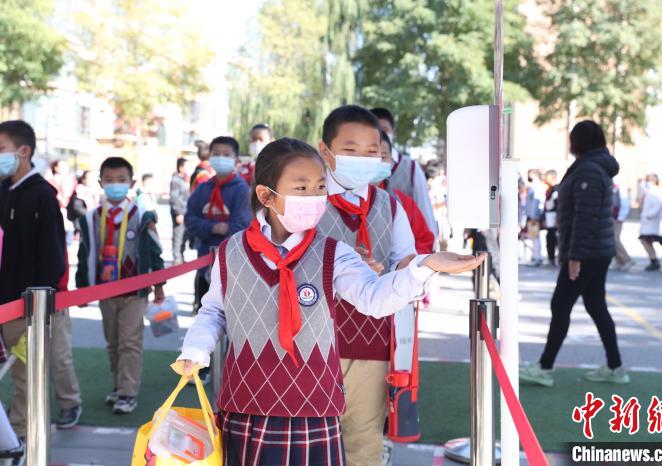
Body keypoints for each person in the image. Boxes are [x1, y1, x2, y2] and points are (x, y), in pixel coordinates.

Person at [175, 138, 485, 465]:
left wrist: (426, 266)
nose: (314, 197)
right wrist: (196, 349)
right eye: (301, 187)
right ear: (266, 195)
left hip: (314, 406)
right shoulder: (232, 252)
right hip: (248, 406)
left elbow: (374, 299)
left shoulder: (332, 253)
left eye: (320, 187)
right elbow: (214, 311)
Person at [315, 105, 419, 465]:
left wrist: (411, 270)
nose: (362, 158)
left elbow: (405, 263)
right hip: (309, 341)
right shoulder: (304, 199)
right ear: (324, 151)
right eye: (350, 149)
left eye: (372, 151)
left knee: (362, 437)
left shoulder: (390, 206)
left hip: (369, 341)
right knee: (310, 436)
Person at [520, 120, 628, 387]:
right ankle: (615, 367)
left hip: (587, 252)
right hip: (596, 250)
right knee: (595, 306)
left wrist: (574, 257)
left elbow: (585, 217)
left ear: (579, 141)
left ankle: (545, 367)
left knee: (561, 305)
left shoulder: (589, 170)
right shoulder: (594, 166)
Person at [0, 120, 82, 444]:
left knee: (37, 367)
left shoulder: (43, 196)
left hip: (34, 303)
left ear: (24, 151)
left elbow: (52, 255)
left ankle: (22, 436)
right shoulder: (5, 191)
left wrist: (42, 300)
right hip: (7, 302)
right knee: (25, 371)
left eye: (1, 149)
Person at [76, 157, 165, 414]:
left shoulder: (143, 216)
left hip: (135, 291)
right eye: (110, 180)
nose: (115, 185)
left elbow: (155, 251)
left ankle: (128, 392)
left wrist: (158, 285)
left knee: (129, 341)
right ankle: (118, 386)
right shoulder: (91, 218)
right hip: (106, 290)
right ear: (100, 183)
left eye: (121, 180)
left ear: (131, 183)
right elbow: (84, 254)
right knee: (113, 342)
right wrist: (83, 288)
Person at [185, 136, 252, 314]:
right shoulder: (202, 189)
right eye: (216, 154)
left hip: (234, 262)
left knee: (232, 314)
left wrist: (227, 229)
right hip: (204, 259)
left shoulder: (242, 190)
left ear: (236, 160)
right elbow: (190, 219)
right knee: (206, 312)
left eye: (226, 154)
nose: (221, 157)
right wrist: (212, 228)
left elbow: (243, 224)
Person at [370, 107, 439, 238]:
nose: (379, 135)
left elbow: (424, 208)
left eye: (384, 130)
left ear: (393, 132)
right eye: (374, 129)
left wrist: (429, 251)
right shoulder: (359, 167)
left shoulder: (411, 167)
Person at [377, 130, 435, 254]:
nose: (375, 161)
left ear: (391, 161)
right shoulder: (329, 200)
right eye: (368, 155)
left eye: (382, 157)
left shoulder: (401, 202)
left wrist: (404, 264)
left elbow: (425, 242)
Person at [638, 174, 662, 271]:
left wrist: (648, 215)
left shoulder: (655, 191)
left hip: (651, 220)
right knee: (646, 240)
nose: (647, 182)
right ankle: (653, 259)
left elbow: (657, 205)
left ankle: (655, 260)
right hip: (647, 221)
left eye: (649, 180)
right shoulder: (648, 191)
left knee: (646, 240)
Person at [48, 159, 78, 245]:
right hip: (57, 210)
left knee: (69, 236)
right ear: (56, 168)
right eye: (61, 166)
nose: (64, 168)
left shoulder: (72, 180)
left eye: (66, 166)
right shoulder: (51, 181)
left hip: (69, 211)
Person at [170, 158, 189, 265]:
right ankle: (177, 258)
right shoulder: (176, 180)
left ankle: (181, 256)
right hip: (180, 212)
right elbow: (174, 197)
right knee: (178, 235)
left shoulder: (185, 179)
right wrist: (178, 213)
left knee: (184, 236)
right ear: (181, 167)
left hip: (186, 212)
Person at [525, 169, 546, 266]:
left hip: (534, 215)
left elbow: (536, 202)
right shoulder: (534, 186)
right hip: (532, 215)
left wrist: (533, 215)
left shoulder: (536, 186)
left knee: (535, 237)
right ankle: (535, 256)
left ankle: (537, 257)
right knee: (533, 237)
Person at [611, 181, 633, 271]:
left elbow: (624, 203)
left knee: (614, 239)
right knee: (611, 240)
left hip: (616, 217)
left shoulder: (619, 188)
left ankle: (625, 259)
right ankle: (618, 260)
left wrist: (621, 216)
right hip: (611, 216)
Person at [543, 170, 559, 266]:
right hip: (549, 218)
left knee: (554, 239)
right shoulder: (549, 189)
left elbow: (557, 204)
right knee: (550, 238)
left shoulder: (556, 189)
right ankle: (551, 258)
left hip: (554, 217)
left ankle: (555, 258)